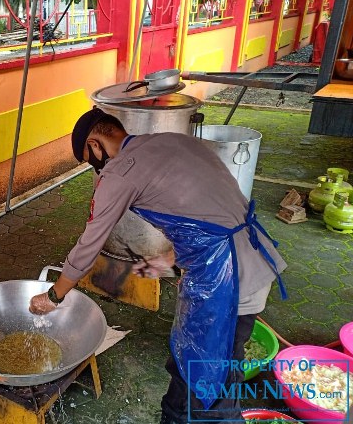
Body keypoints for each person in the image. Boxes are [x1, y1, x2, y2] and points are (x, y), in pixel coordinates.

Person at [29, 107, 287, 423]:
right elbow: (210, 213)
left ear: (96, 143)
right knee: (209, 373)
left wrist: (54, 296)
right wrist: (169, 260)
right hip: (253, 261)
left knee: (201, 394)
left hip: (224, 283)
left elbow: (88, 244)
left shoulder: (121, 171)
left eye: (90, 159)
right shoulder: (173, 142)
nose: (97, 168)